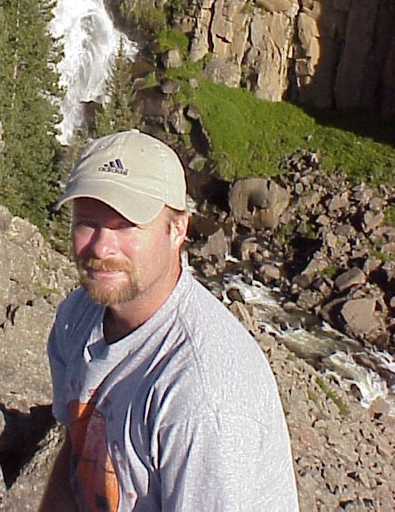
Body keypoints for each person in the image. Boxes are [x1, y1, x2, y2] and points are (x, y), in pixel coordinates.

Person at [39, 129, 299, 512]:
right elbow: (75, 453)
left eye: (126, 225)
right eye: (86, 222)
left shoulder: (203, 398)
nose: (100, 247)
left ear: (178, 228)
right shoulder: (76, 316)